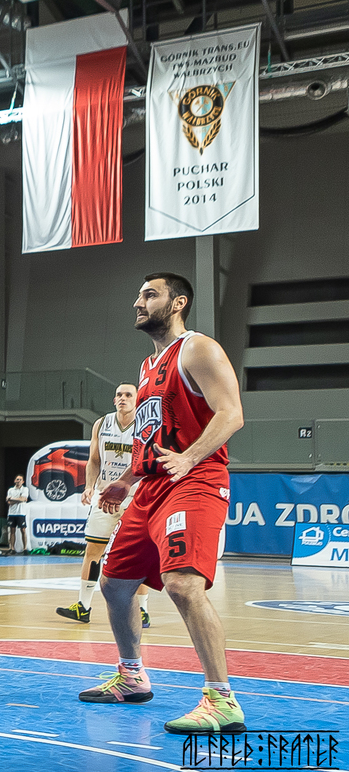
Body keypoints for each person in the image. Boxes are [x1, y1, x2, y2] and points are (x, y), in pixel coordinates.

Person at [79, 273, 246, 734]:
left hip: (194, 481)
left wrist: (190, 457)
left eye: (150, 295)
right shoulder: (147, 366)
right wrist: (126, 479)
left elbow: (232, 413)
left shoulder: (198, 349)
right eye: (138, 295)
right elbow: (153, 435)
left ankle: (222, 700)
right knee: (114, 584)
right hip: (150, 487)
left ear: (178, 303)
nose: (138, 302)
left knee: (183, 585)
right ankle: (132, 677)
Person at [58, 383, 152, 627]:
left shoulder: (145, 425)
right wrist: (89, 486)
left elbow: (147, 464)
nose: (123, 398)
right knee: (93, 550)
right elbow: (93, 460)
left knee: (138, 555)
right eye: (119, 395)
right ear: (114, 400)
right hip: (104, 496)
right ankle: (83, 607)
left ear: (137, 400)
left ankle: (142, 610)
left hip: (135, 497)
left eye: (128, 395)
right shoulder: (101, 424)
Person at [6, 474, 30, 553]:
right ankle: (12, 548)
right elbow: (9, 502)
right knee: (12, 531)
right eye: (17, 479)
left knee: (23, 530)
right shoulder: (11, 490)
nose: (18, 481)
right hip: (12, 513)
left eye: (20, 479)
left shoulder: (25, 489)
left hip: (21, 513)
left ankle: (25, 548)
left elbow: (23, 499)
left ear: (23, 481)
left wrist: (12, 499)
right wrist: (19, 499)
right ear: (14, 481)